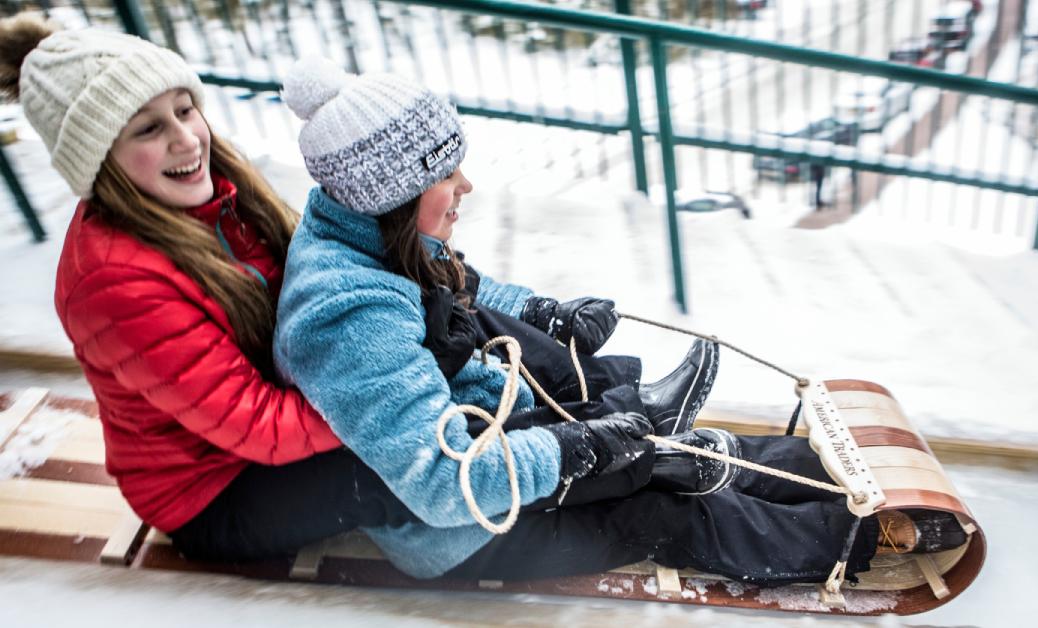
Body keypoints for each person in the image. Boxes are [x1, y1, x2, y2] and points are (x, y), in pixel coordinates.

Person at [273, 58, 968, 584]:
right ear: (394, 191)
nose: (467, 188)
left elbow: (463, 284)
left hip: (497, 437)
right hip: (459, 530)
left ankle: (819, 469)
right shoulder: (346, 317)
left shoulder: (375, 232)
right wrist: (575, 451)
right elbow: (443, 485)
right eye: (448, 175)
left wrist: (545, 313)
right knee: (659, 508)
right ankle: (866, 539)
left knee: (659, 454)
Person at [0, 15, 429, 562]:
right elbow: (261, 428)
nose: (185, 139)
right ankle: (571, 528)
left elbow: (330, 274)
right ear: (100, 160)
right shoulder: (113, 281)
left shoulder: (223, 191)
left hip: (286, 410)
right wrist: (394, 397)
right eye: (148, 129)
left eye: (184, 110)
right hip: (215, 491)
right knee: (410, 467)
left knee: (455, 391)